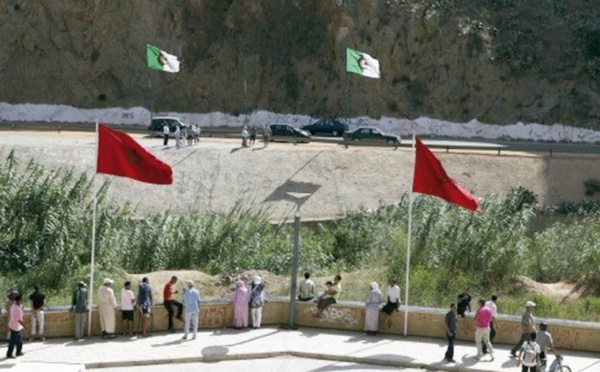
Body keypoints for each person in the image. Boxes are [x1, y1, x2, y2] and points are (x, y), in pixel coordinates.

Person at [6, 294, 25, 359]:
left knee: (19, 340)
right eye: (22, 300)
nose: (23, 301)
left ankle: (18, 352)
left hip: (13, 325)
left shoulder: (13, 305)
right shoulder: (17, 309)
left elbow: (21, 306)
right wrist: (25, 326)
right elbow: (19, 320)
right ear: (19, 300)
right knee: (13, 341)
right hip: (15, 327)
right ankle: (9, 354)